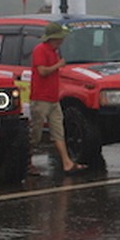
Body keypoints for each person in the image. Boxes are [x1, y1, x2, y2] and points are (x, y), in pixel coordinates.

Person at [28, 22, 84, 176]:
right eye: (59, 38)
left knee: (58, 131)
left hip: (53, 99)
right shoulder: (40, 50)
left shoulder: (54, 51)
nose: (62, 41)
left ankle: (67, 162)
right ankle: (27, 160)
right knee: (36, 133)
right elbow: (42, 71)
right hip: (41, 98)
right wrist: (58, 65)